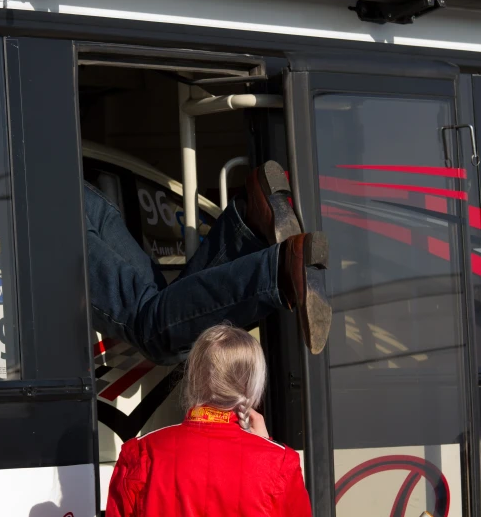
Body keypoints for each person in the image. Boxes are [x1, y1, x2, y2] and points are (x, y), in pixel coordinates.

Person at [85, 160, 331, 364]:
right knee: (162, 313)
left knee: (154, 333)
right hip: (79, 194)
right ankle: (249, 218)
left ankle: (279, 272)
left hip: (52, 217)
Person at [105, 323, 312, 517]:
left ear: (193, 377)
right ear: (252, 383)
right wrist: (268, 448)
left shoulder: (140, 453)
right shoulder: (280, 463)